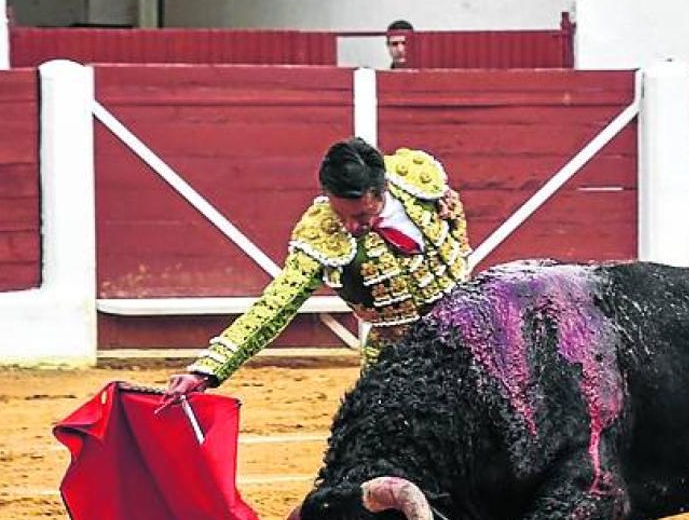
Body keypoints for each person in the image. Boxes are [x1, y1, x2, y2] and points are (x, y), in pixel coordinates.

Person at [161, 137, 472, 402]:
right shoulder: (321, 232)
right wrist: (206, 371)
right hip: (396, 355)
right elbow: (275, 305)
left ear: (383, 191)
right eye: (342, 215)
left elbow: (454, 221)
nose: (351, 226)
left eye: (362, 215)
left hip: (469, 333)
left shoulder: (417, 182)